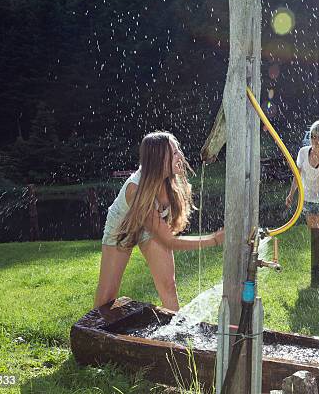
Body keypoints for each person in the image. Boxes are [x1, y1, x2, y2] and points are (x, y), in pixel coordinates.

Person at [94, 132, 224, 311]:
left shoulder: (170, 181)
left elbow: (165, 233)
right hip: (123, 227)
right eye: (174, 153)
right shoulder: (135, 189)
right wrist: (214, 239)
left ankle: (174, 337)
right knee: (107, 297)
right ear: (158, 160)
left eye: (178, 150)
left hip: (151, 228)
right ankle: (92, 336)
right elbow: (169, 241)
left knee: (168, 286)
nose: (180, 156)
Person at [286, 120, 319, 280]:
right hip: (307, 198)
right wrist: (291, 194)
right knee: (314, 234)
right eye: (314, 137)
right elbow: (297, 176)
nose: (317, 141)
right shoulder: (303, 152)